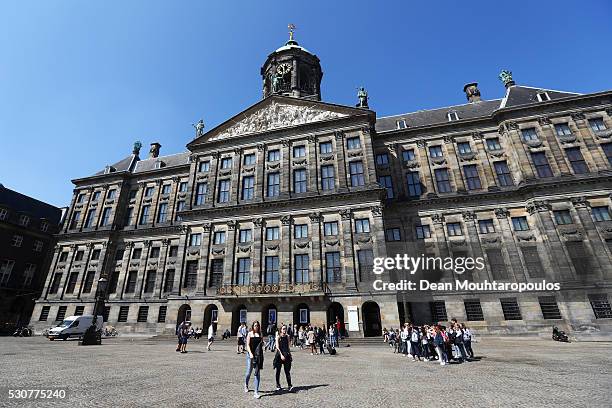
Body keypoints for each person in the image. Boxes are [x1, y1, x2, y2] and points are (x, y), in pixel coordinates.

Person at [245, 321, 264, 399]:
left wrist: (263, 344)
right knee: (249, 372)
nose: (257, 327)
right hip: (250, 355)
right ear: (253, 326)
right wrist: (250, 353)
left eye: (258, 326)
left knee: (257, 373)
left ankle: (256, 391)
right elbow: (248, 345)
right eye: (255, 325)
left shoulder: (260, 334)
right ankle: (246, 384)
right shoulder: (250, 334)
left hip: (258, 356)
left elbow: (260, 344)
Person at [273, 324, 293, 392]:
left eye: (285, 329)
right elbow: (277, 347)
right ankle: (278, 385)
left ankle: (290, 385)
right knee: (278, 371)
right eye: (283, 329)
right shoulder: (278, 337)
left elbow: (288, 346)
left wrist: (290, 354)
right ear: (281, 330)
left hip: (286, 355)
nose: (284, 330)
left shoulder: (287, 336)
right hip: (279, 355)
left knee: (287, 371)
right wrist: (281, 355)